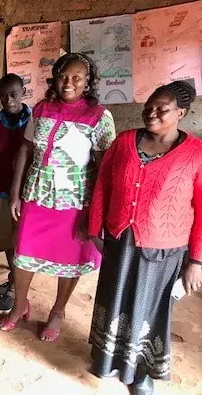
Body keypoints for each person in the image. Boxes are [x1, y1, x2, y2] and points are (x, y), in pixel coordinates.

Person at [87, 81, 202, 395]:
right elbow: (102, 186)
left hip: (165, 248)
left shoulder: (195, 153)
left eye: (162, 109)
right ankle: (108, 361)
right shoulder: (124, 141)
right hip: (120, 240)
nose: (152, 112)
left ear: (181, 113)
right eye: (149, 105)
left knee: (150, 309)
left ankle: (141, 375)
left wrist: (196, 260)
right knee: (115, 302)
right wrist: (94, 229)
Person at [0, 53, 116, 342]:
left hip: (75, 199)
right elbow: (25, 151)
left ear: (88, 82)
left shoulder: (99, 117)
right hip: (37, 192)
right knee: (23, 252)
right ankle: (20, 305)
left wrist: (97, 211)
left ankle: (58, 311)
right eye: (63, 76)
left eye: (76, 77)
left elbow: (104, 168)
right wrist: (15, 195)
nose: (68, 83)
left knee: (70, 257)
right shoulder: (41, 109)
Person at [0, 74, 31, 315]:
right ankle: (13, 282)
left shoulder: (33, 122)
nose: (8, 100)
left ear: (23, 92)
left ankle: (15, 292)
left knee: (22, 244)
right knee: (8, 242)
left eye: (13, 94)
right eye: (3, 95)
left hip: (26, 194)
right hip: (2, 192)